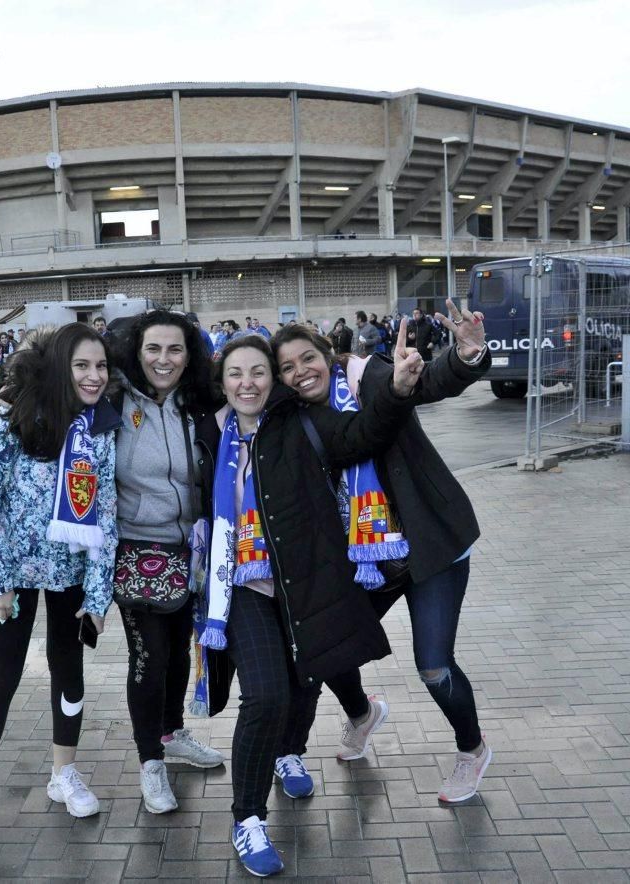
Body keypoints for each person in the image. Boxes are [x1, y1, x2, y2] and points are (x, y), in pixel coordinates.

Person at [195, 332, 424, 877]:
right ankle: (247, 819)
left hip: (305, 579)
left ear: (271, 380)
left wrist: (394, 388)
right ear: (221, 381)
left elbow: (360, 434)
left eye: (257, 372)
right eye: (235, 373)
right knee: (266, 696)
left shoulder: (299, 421)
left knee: (307, 678)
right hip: (241, 585)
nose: (246, 383)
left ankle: (287, 752)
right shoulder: (206, 432)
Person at [272, 301, 493, 807]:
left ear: (328, 355)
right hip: (365, 559)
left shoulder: (367, 377)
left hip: (430, 544)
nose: (301, 372)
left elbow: (426, 383)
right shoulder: (298, 418)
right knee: (327, 645)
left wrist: (467, 353)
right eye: (288, 367)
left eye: (308, 359)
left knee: (434, 666)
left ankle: (472, 750)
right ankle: (362, 714)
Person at [0, 323, 119, 838]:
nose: (93, 376)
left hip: (69, 578)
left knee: (68, 671)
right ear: (59, 369)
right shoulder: (7, 426)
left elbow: (105, 515)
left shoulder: (100, 433)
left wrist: (98, 594)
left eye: (101, 366)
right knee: (0, 676)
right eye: (81, 366)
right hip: (12, 579)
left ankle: (65, 773)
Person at [110, 310, 225, 815]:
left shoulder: (200, 403)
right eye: (153, 349)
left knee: (181, 652)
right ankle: (149, 761)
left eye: (175, 349)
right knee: (150, 658)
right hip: (135, 549)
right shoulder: (113, 403)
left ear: (189, 354)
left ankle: (172, 733)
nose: (164, 360)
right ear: (137, 351)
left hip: (192, 550)